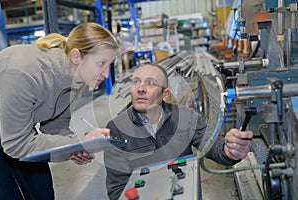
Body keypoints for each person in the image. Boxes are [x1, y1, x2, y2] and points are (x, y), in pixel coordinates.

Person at [0, 22, 119, 200]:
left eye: (109, 64)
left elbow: (56, 126)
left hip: (18, 132)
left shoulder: (76, 77)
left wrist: (78, 145)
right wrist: (73, 146)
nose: (106, 74)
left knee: (43, 193)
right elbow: (16, 144)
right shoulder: (26, 74)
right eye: (101, 63)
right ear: (76, 56)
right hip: (13, 138)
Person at [104, 62, 253, 200]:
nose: (141, 88)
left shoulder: (186, 117)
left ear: (165, 94)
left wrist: (228, 150)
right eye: (136, 82)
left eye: (150, 83)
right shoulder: (117, 128)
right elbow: (117, 189)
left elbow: (212, 144)